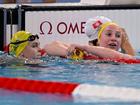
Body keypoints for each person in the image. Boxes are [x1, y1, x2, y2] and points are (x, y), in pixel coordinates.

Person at [44, 16, 135, 60]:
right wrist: (73, 53)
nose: (114, 38)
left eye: (118, 35)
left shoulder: (121, 56)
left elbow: (119, 56)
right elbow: (50, 46)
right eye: (108, 34)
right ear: (95, 42)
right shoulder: (86, 56)